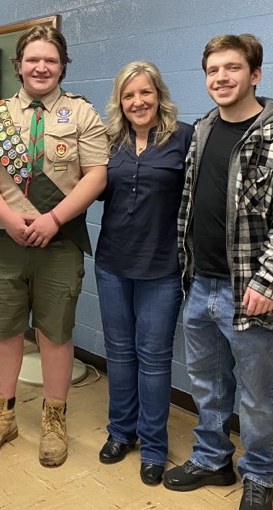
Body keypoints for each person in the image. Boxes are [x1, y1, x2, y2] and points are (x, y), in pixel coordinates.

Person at [162, 34, 273, 510]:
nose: (221, 78)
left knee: (255, 393)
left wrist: (267, 283)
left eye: (232, 68)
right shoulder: (203, 129)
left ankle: (260, 476)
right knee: (206, 382)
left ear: (255, 74)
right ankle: (212, 458)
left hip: (249, 291)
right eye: (213, 70)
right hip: (200, 283)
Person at [0, 25, 107, 467]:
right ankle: (2, 417)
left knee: (55, 333)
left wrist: (54, 218)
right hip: (6, 241)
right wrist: (8, 218)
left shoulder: (82, 113)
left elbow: (96, 174)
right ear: (19, 65)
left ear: (62, 66)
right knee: (4, 331)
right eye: (33, 59)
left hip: (59, 241)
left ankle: (53, 421)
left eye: (50, 60)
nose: (41, 67)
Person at [94, 61, 193, 485]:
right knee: (119, 353)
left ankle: (153, 446)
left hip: (161, 268)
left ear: (159, 94)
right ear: (120, 101)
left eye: (145, 92)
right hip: (112, 264)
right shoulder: (108, 142)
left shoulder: (184, 137)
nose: (138, 101)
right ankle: (121, 431)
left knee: (153, 359)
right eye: (129, 95)